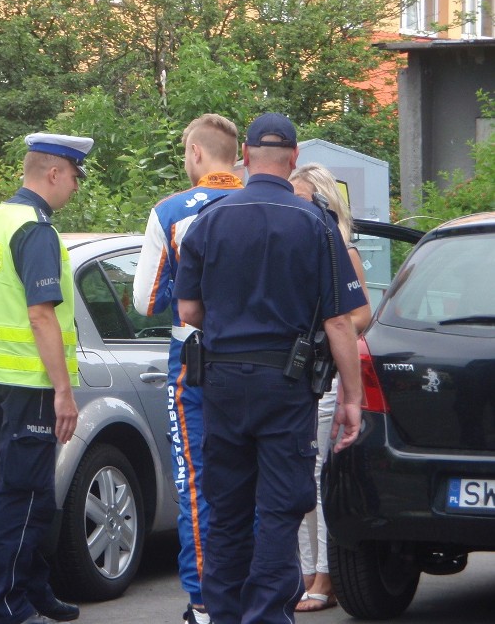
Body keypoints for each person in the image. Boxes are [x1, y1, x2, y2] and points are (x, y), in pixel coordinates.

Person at [173, 113, 367, 624]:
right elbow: (341, 323)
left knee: (228, 512)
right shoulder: (316, 224)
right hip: (285, 385)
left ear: (246, 159)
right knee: (280, 511)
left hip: (221, 384)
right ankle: (266, 616)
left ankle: (223, 614)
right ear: (294, 158)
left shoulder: (208, 220)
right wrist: (352, 397)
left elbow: (188, 312)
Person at [0, 133, 94, 624]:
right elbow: (41, 315)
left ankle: (34, 590)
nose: (76, 188)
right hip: (30, 382)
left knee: (30, 493)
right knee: (23, 498)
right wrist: (63, 391)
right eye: (75, 177)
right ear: (54, 173)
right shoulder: (36, 229)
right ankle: (8, 606)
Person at [133, 114, 242, 624]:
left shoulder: (172, 211)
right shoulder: (278, 203)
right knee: (264, 480)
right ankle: (262, 595)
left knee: (196, 483)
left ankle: (204, 602)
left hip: (196, 368)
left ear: (196, 154)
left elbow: (146, 300)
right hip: (268, 368)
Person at [289, 163, 371, 613]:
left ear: (320, 199)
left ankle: (325, 575)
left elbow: (362, 315)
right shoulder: (300, 246)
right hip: (301, 376)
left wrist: (323, 329)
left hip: (328, 376)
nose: (293, 203)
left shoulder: (341, 248)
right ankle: (304, 572)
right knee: (301, 480)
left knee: (318, 480)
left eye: (300, 196)